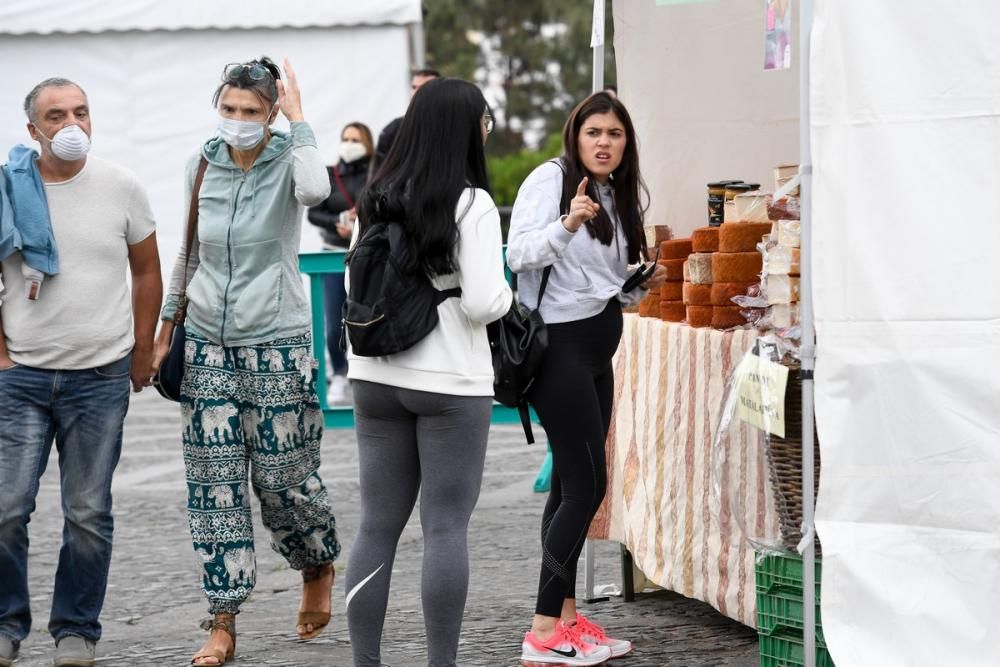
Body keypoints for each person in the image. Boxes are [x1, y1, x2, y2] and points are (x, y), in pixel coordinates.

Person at [152, 57, 340, 666]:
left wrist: (300, 119)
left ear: (270, 112)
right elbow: (188, 252)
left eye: (251, 112)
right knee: (214, 486)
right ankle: (223, 619)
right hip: (206, 336)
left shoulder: (290, 159)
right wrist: (165, 327)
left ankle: (316, 563)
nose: (237, 121)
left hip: (277, 339)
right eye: (229, 109)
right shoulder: (200, 163)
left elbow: (317, 192)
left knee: (283, 478)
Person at [343, 78, 512, 667]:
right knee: (444, 529)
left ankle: (367, 662)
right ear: (465, 130)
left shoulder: (377, 195)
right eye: (484, 122)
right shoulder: (471, 203)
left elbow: (352, 282)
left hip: (374, 377)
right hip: (447, 384)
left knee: (375, 528)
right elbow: (485, 302)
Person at [0, 78, 162, 667]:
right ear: (33, 130)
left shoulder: (121, 185)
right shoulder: (8, 189)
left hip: (101, 377)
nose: (72, 124)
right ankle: (5, 623)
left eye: (81, 112)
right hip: (21, 376)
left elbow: (147, 271)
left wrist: (142, 350)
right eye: (56, 115)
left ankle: (75, 629)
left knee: (88, 512)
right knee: (6, 507)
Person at [506, 91, 666, 666]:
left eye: (615, 134)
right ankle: (544, 630)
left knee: (572, 486)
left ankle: (566, 620)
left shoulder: (615, 192)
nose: (604, 142)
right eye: (594, 131)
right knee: (586, 487)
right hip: (560, 351)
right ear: (575, 135)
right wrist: (567, 223)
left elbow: (599, 282)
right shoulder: (549, 182)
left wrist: (637, 283)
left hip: (597, 348)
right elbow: (521, 254)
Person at [306, 122, 374, 405]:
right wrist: (337, 223)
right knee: (334, 324)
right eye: (345, 138)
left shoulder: (377, 172)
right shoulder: (330, 174)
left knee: (368, 318)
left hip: (368, 255)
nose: (349, 143)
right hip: (333, 253)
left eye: (355, 139)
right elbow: (314, 213)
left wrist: (362, 220)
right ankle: (338, 374)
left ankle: (368, 375)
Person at [372, 68, 440, 171]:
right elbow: (380, 169)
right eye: (414, 87)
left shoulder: (455, 126)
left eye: (424, 87)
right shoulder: (395, 129)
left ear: (440, 90)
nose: (417, 92)